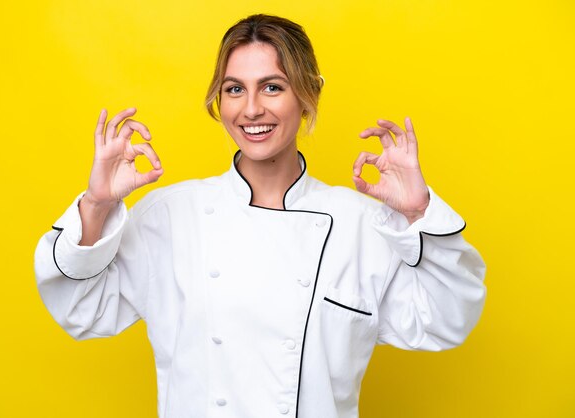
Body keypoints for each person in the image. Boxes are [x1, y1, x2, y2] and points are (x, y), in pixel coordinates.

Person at [34, 14, 486, 418]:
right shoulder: (170, 216)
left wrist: (417, 212)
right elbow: (81, 310)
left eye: (272, 86)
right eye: (235, 89)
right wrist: (97, 203)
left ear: (308, 94)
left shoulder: (361, 225)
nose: (251, 109)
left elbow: (446, 320)